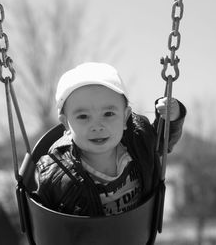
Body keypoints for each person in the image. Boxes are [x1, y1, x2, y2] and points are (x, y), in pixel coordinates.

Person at [34, 62, 186, 216]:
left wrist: (171, 119)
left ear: (125, 117)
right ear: (66, 123)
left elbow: (163, 143)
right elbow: (43, 218)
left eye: (108, 114)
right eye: (83, 116)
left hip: (137, 233)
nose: (97, 126)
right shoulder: (55, 172)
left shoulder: (139, 141)